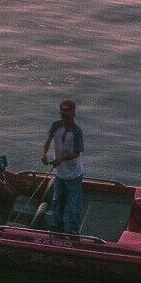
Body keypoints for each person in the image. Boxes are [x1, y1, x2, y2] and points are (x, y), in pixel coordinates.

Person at [41, 99, 86, 236]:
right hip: (59, 173)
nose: (64, 118)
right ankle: (57, 224)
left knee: (73, 203)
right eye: (62, 115)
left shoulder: (77, 132)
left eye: (67, 116)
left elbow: (76, 153)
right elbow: (47, 142)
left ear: (73, 115)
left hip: (73, 174)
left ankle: (73, 229)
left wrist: (61, 159)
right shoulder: (56, 126)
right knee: (56, 199)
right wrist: (43, 154)